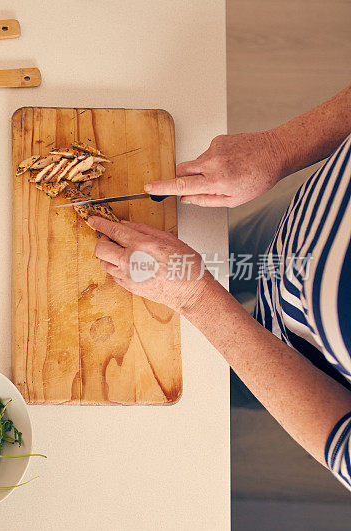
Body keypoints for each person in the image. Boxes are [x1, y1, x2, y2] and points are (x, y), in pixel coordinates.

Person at [86, 84, 351, 490]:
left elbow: (341, 440)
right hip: (302, 227)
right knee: (237, 251)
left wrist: (195, 297)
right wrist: (279, 147)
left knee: (205, 378)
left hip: (293, 360)